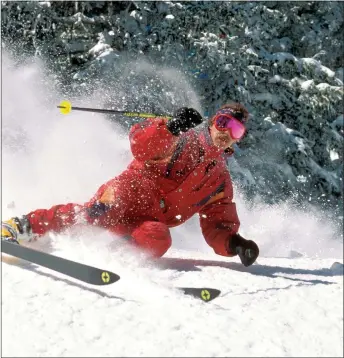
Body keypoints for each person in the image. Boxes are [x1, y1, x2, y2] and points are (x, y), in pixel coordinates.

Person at [1, 103, 259, 266]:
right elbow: (141, 146)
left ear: (238, 140)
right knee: (92, 215)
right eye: (223, 123)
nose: (227, 132)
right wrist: (170, 128)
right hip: (129, 191)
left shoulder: (219, 181)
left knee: (158, 239)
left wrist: (236, 244)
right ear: (213, 123)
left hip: (149, 219)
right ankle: (21, 226)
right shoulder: (182, 138)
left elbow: (218, 221)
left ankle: (109, 256)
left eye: (236, 131)